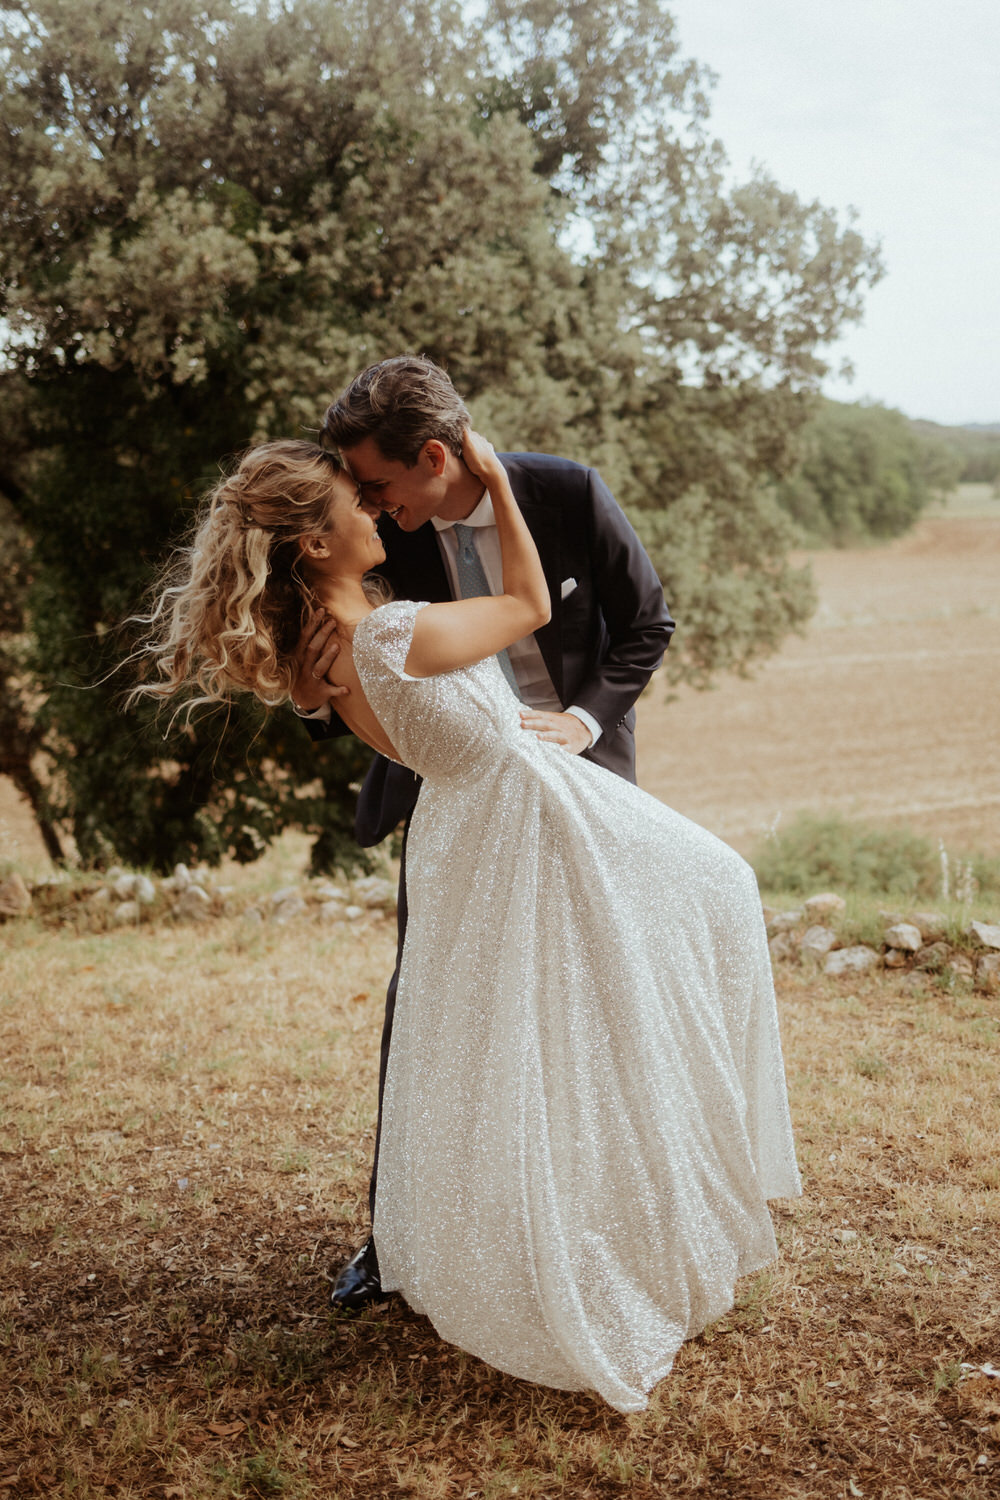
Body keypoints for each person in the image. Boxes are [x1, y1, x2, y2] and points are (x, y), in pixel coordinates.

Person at [133, 430, 800, 1414]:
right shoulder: (390, 634)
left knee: (528, 1030)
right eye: (352, 507)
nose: (371, 514)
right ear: (313, 544)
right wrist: (490, 480)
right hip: (521, 820)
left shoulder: (320, 656)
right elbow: (529, 607)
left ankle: (590, 1207)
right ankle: (626, 1214)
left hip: (472, 829)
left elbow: (367, 702)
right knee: (712, 892)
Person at [290, 357, 676, 1312]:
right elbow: (350, 642)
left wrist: (583, 726)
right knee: (429, 999)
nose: (367, 510)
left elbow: (646, 624)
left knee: (596, 994)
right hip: (457, 796)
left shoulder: (564, 490)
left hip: (578, 777)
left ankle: (596, 1216)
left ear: (432, 458)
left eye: (376, 486)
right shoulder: (386, 541)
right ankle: (394, 1236)